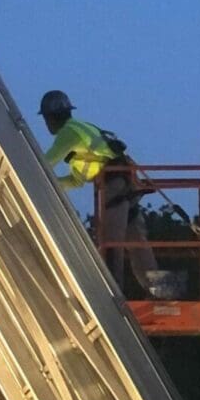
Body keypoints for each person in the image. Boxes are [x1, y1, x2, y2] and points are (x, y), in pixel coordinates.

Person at [37, 89, 153, 295]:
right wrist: (52, 183)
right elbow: (76, 180)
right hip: (123, 182)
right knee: (135, 239)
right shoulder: (82, 128)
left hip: (113, 184)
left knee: (110, 241)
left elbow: (45, 163)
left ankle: (112, 294)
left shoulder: (68, 133)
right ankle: (156, 288)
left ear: (50, 118)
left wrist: (32, 176)